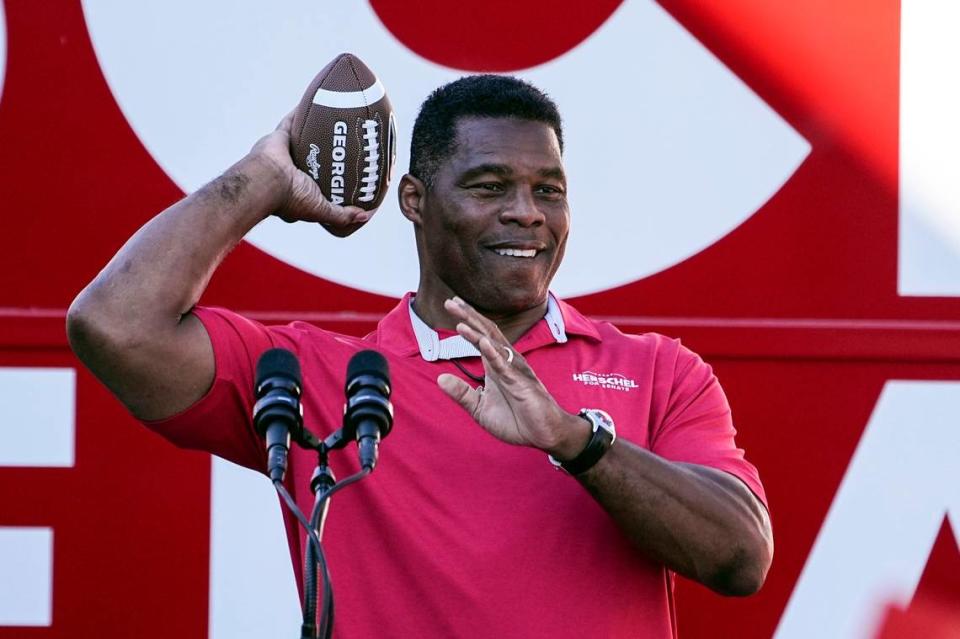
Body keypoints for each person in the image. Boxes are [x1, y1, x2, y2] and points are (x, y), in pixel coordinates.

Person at [67, 75, 772, 638]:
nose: (527, 212)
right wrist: (260, 183)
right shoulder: (325, 376)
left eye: (547, 191)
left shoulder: (658, 369)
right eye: (490, 185)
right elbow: (114, 325)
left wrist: (572, 438)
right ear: (415, 200)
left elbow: (741, 556)